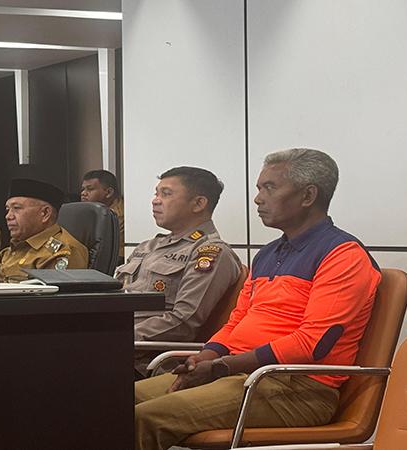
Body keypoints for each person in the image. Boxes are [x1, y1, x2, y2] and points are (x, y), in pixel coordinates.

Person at [134, 149, 382, 450]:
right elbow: (236, 322)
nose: (257, 199)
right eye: (259, 188)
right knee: (109, 402)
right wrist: (208, 356)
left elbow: (313, 343)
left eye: (270, 188)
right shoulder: (268, 254)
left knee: (141, 418)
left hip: (296, 388)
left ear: (308, 196)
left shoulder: (342, 255)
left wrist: (224, 366)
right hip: (242, 374)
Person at [116, 167, 241, 376]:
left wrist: (117, 337)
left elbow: (184, 322)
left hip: (145, 360)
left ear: (199, 203)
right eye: (156, 193)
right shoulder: (149, 246)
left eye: (166, 194)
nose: (155, 201)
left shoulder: (209, 252)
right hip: (115, 340)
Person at [0, 178, 89, 282]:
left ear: (45, 213)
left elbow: (55, 292)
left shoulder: (62, 251)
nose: (8, 216)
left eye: (17, 208)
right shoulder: (13, 249)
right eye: (7, 210)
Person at [80, 169, 125, 261]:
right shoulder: (92, 210)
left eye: (90, 189)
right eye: (83, 189)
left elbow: (117, 256)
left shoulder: (118, 216)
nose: (83, 193)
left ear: (108, 193)